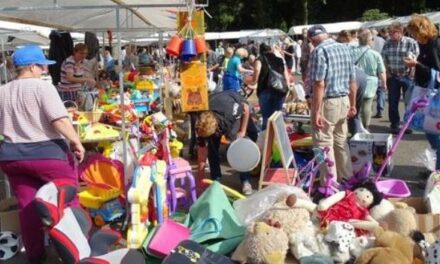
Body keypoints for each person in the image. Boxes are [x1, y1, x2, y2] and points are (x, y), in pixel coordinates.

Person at [0, 45, 84, 263]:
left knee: (28, 207)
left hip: (12, 156)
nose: (43, 71)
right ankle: (77, 252)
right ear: (31, 67)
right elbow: (59, 120)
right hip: (49, 156)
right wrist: (76, 141)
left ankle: (36, 256)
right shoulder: (42, 88)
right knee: (66, 202)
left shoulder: (2, 90)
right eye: (41, 66)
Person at [307, 25, 357, 183]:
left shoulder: (319, 51)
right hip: (344, 100)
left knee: (322, 144)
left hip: (329, 102)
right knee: (341, 142)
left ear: (312, 40)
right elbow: (352, 80)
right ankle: (347, 179)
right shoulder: (345, 48)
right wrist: (353, 103)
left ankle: (329, 183)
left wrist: (316, 111)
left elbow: (319, 84)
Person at [195, 91, 258, 195]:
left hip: (232, 106)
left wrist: (242, 130)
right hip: (215, 108)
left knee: (239, 147)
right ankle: (216, 182)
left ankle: (245, 181)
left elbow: (246, 108)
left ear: (215, 129)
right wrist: (200, 179)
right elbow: (202, 152)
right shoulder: (200, 123)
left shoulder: (230, 113)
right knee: (212, 149)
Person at [404, 15, 440, 170]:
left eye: (413, 32)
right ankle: (435, 170)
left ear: (422, 30)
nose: (412, 36)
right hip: (426, 92)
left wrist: (416, 64)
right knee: (431, 133)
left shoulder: (434, 44)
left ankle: (437, 175)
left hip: (434, 95)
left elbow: (437, 73)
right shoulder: (425, 44)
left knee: (435, 135)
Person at [381, 22, 419, 134]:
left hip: (408, 77)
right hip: (393, 77)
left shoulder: (410, 42)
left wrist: (413, 72)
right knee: (393, 102)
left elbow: (416, 59)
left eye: (393, 32)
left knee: (409, 102)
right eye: (390, 32)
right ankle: (395, 125)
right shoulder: (387, 43)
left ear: (401, 32)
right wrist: (387, 72)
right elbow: (383, 59)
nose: (391, 35)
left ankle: (407, 125)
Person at [352, 29, 387, 130]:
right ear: (369, 40)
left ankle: (355, 126)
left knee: (355, 104)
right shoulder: (375, 54)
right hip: (370, 81)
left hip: (355, 80)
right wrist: (384, 83)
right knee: (367, 104)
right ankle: (365, 126)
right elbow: (381, 71)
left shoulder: (352, 51)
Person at [252, 43, 290, 130]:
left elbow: (257, 69)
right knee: (277, 115)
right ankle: (279, 135)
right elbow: (285, 74)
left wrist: (254, 81)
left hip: (265, 89)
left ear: (260, 50)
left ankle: (266, 137)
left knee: (266, 116)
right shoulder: (279, 59)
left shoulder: (260, 59)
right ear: (271, 49)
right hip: (280, 90)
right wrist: (288, 87)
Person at [370, 28, 387, 118]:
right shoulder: (382, 40)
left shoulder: (368, 40)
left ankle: (369, 109)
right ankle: (380, 109)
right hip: (380, 65)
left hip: (370, 67)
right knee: (381, 90)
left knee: (371, 91)